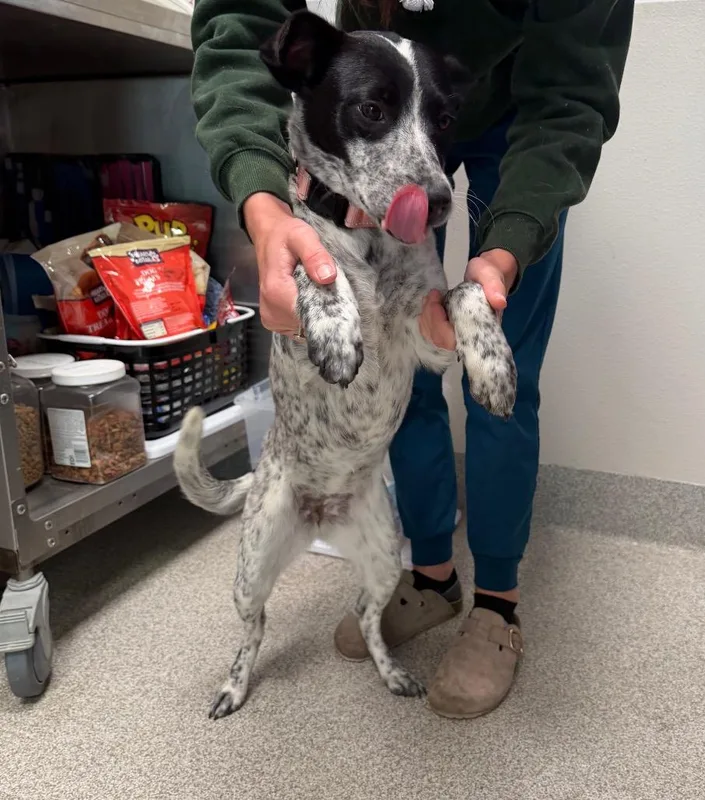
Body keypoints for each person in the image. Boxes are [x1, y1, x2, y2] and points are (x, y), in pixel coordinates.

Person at [191, 0, 634, 718]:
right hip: (386, 73)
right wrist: (265, 208)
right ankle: (430, 577)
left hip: (498, 102)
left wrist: (503, 250)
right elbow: (240, 22)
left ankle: (496, 603)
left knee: (499, 355)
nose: (430, 188)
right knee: (415, 390)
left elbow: (571, 99)